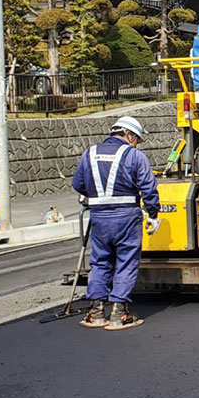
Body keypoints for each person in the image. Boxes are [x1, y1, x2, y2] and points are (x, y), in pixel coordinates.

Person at [72, 116, 160, 330]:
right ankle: (119, 313)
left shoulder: (89, 154)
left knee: (100, 261)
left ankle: (96, 311)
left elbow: (78, 184)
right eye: (136, 138)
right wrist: (153, 214)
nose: (136, 143)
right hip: (126, 217)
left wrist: (96, 197)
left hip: (99, 217)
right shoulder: (135, 156)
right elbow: (148, 188)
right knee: (126, 262)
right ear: (128, 135)